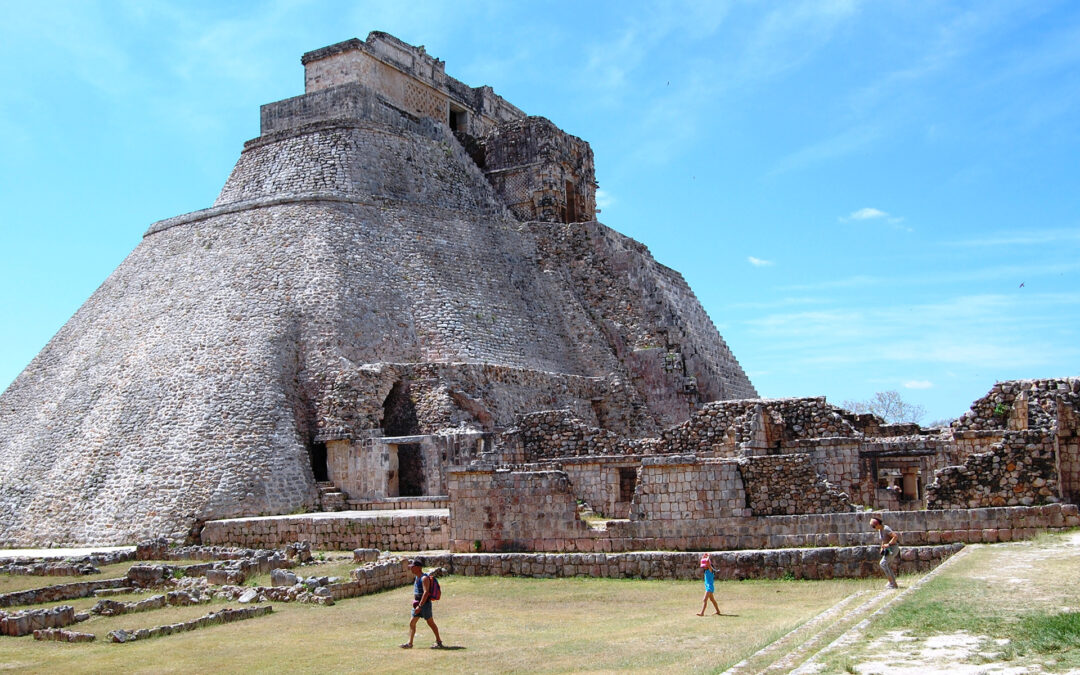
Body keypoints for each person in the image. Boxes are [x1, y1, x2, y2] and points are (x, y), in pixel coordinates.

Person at [401, 557, 444, 649]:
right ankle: (410, 643)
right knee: (412, 622)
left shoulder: (424, 578)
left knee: (430, 623)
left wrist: (420, 606)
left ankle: (439, 641)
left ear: (418, 567)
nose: (411, 568)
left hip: (424, 605)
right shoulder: (417, 577)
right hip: (417, 604)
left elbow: (426, 592)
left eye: (413, 567)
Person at [870, 517, 900, 589]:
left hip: (892, 548)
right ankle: (892, 582)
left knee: (883, 563)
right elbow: (883, 540)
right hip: (888, 549)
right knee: (887, 565)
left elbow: (895, 536)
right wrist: (882, 547)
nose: (873, 528)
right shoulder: (880, 530)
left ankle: (892, 583)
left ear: (877, 524)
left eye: (873, 526)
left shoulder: (886, 529)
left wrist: (888, 544)